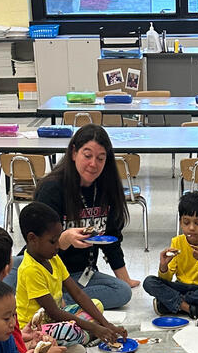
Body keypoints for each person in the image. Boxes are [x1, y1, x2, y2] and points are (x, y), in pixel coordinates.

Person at [33, 124, 137, 308]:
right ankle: (48, 298)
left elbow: (111, 239)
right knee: (14, 270)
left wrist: (125, 279)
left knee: (122, 291)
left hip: (80, 275)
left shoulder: (107, 188)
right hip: (46, 271)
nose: (93, 164)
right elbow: (37, 244)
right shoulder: (52, 189)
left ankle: (54, 302)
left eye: (100, 158)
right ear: (74, 153)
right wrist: (64, 239)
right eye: (87, 156)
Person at [15, 201, 125, 346]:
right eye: (53, 241)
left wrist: (106, 324)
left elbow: (77, 293)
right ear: (32, 238)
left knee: (96, 305)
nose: (58, 245)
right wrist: (95, 328)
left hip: (55, 320)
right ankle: (86, 336)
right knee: (69, 330)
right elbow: (54, 312)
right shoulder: (30, 270)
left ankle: (84, 335)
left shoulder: (54, 258)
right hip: (36, 329)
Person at [142, 192, 198, 316]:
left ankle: (170, 304)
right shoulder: (177, 241)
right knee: (149, 282)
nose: (191, 228)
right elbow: (166, 279)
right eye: (186, 222)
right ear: (180, 222)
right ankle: (190, 308)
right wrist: (163, 267)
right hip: (180, 286)